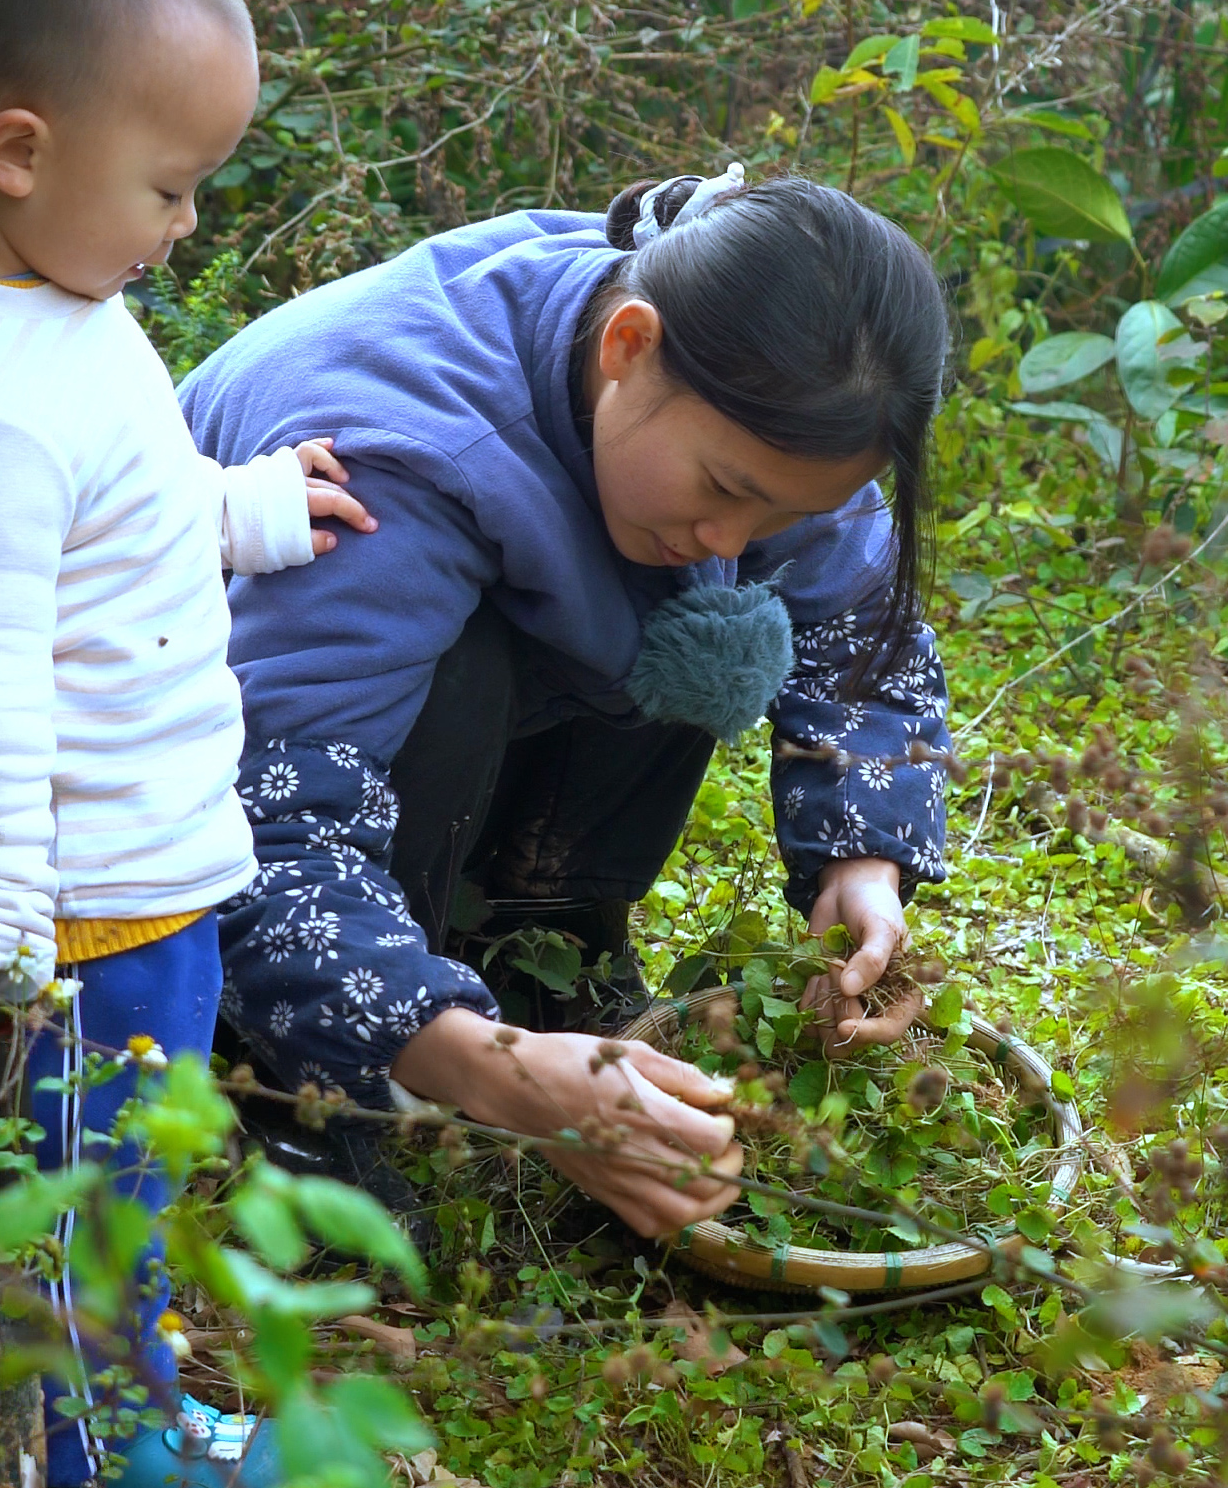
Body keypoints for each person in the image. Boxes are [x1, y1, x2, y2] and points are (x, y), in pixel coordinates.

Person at [0, 0, 371, 1488]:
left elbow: (118, 501)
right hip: (81, 899)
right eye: (169, 187)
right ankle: (86, 1444)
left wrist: (248, 510)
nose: (182, 227)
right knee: (93, 1169)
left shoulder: (36, 305)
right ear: (17, 151)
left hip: (104, 867)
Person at [181, 169, 952, 1243]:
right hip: (168, 761)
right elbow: (253, 821)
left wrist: (858, 863)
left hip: (416, 667)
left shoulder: (763, 403)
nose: (738, 537)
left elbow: (856, 620)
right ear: (627, 348)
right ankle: (277, 1060)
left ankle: (537, 940)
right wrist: (484, 1069)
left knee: (709, 614)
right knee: (474, 659)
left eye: (785, 509)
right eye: (729, 492)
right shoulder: (391, 468)